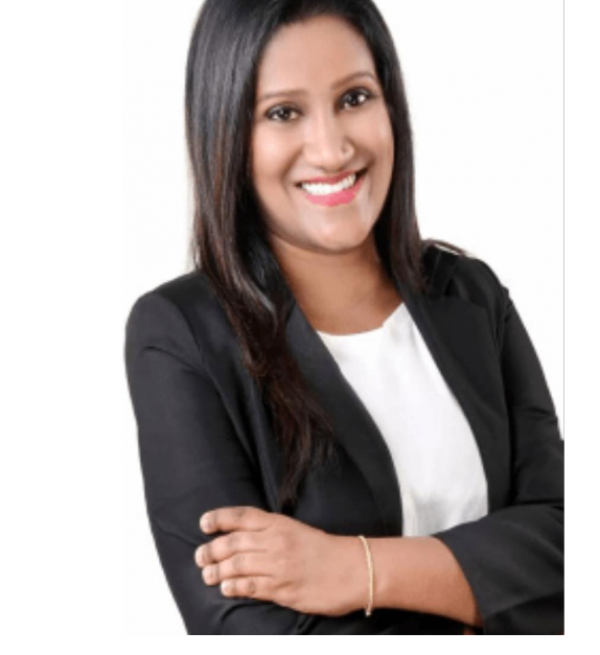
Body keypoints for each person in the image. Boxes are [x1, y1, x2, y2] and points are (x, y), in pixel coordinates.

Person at [124, 0, 564, 635]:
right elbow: (243, 626)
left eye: (354, 98)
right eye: (283, 112)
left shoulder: (469, 293)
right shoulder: (182, 334)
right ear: (226, 133)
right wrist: (490, 600)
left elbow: (567, 539)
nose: (331, 150)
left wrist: (353, 570)